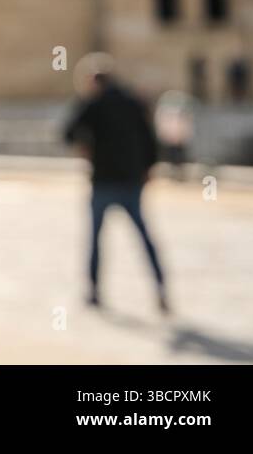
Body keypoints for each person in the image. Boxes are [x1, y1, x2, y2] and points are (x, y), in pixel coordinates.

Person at [64, 53, 169, 313]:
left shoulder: (94, 103)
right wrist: (149, 169)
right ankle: (161, 288)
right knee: (144, 238)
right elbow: (150, 138)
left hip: (103, 181)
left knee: (96, 239)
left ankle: (94, 292)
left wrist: (86, 144)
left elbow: (68, 133)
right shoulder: (132, 100)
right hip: (132, 181)